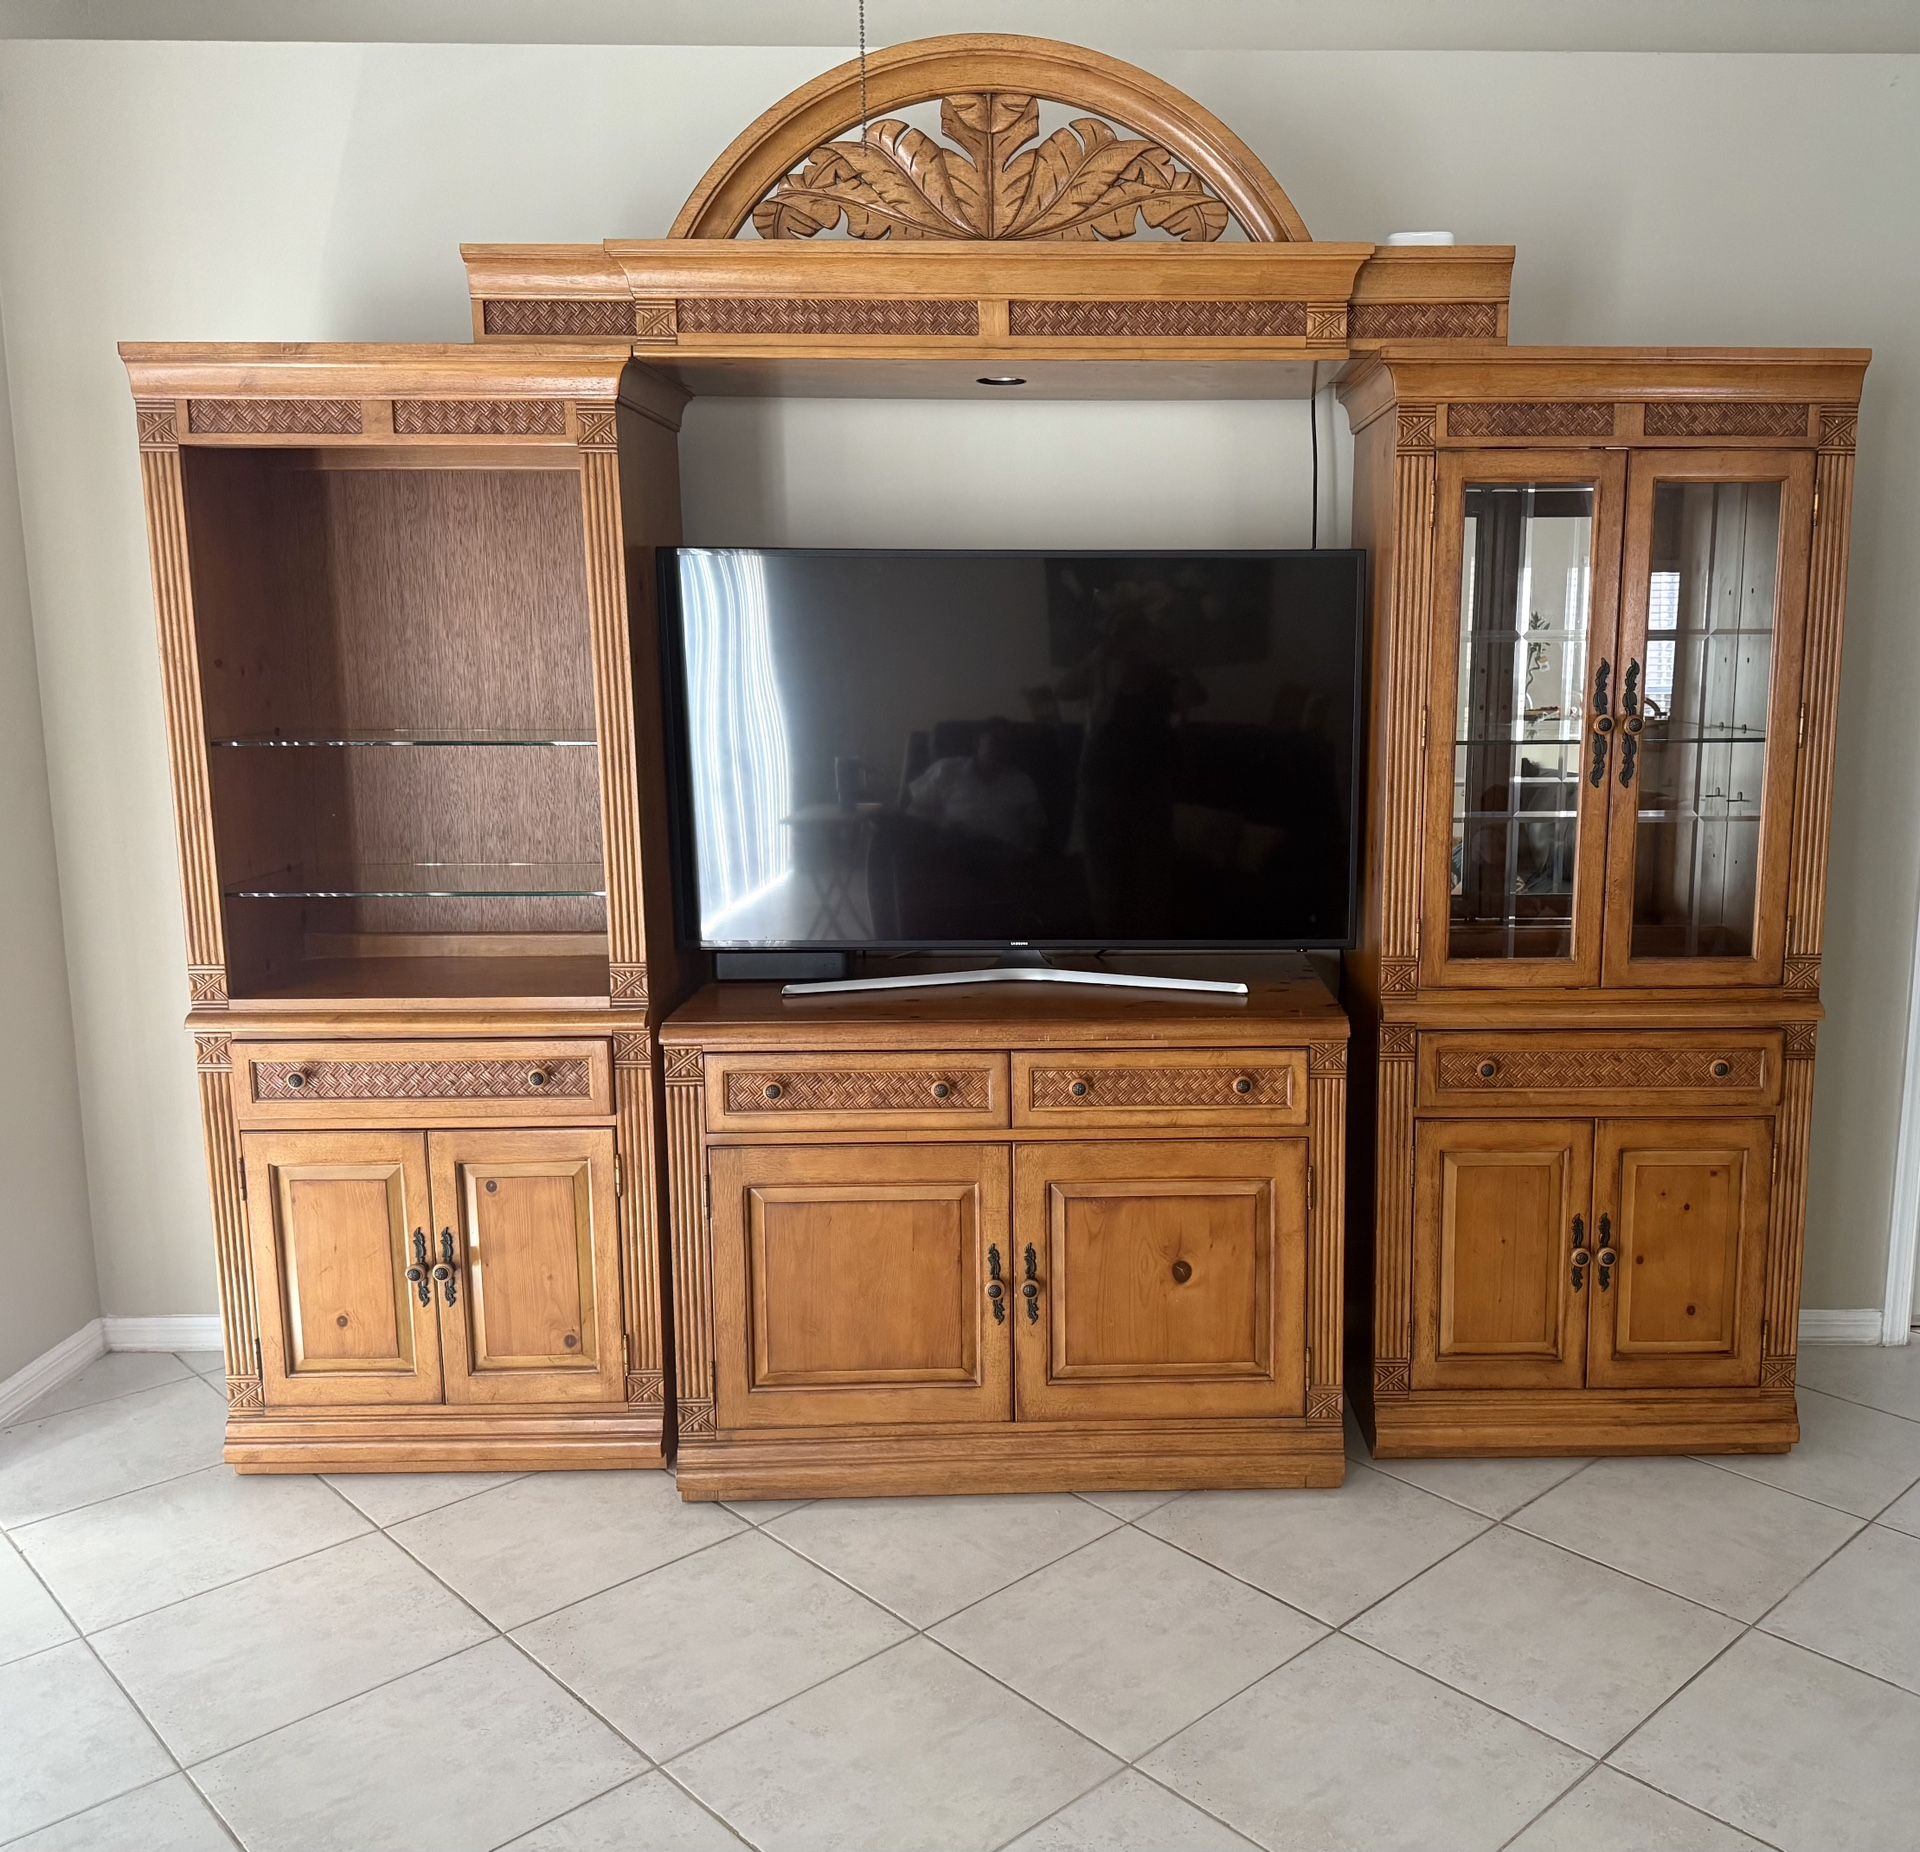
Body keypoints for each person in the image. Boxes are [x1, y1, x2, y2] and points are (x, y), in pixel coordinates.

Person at [905, 718, 1045, 856]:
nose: (1000, 749)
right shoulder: (947, 769)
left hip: (1001, 857)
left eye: (1006, 744)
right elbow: (915, 809)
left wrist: (1028, 856)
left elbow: (1034, 825)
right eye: (995, 741)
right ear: (977, 741)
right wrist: (942, 826)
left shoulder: (1021, 781)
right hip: (952, 851)